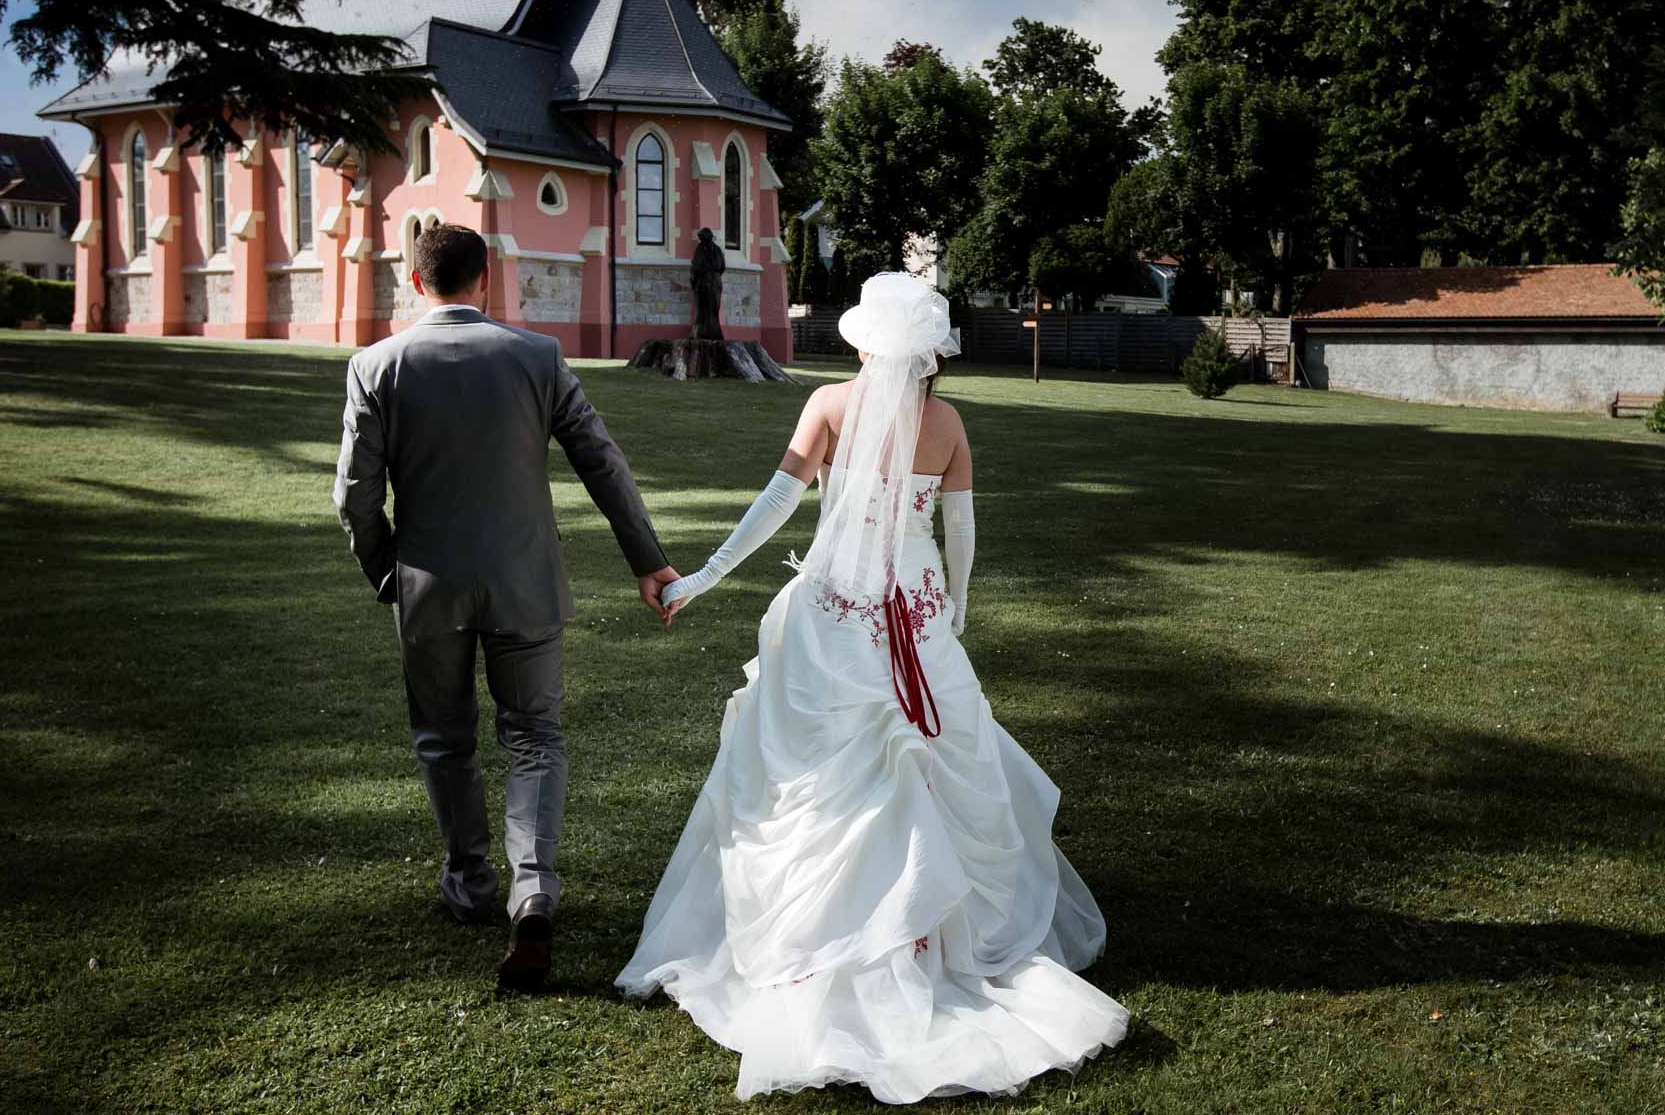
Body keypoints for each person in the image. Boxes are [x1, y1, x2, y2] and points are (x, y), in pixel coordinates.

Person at [618, 273, 1127, 1103]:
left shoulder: (827, 404)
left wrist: (703, 576)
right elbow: (958, 528)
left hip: (835, 615)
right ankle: (933, 928)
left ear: (864, 341)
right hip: (915, 617)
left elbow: (778, 503)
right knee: (929, 755)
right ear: (930, 353)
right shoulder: (948, 422)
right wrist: (954, 606)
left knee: (806, 774)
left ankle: (832, 935)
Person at [333, 223, 681, 990]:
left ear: (418, 283)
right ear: (485, 280)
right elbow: (601, 460)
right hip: (527, 584)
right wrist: (648, 561)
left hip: (429, 588)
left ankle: (472, 884)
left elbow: (355, 497)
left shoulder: (377, 365)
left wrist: (388, 572)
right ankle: (533, 895)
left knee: (443, 741)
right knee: (535, 738)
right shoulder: (537, 356)